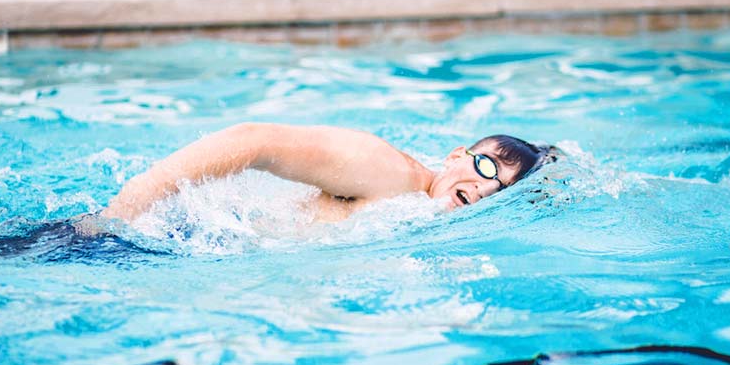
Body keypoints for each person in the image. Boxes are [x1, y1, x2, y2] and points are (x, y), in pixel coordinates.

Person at [102, 123, 555, 223]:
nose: (483, 187)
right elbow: (255, 140)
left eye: (500, 190)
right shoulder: (389, 172)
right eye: (486, 166)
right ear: (456, 155)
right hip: (137, 244)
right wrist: (128, 205)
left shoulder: (416, 207)